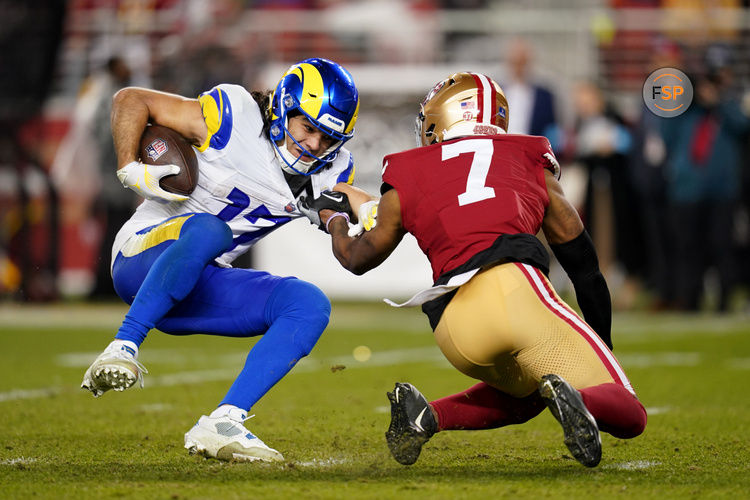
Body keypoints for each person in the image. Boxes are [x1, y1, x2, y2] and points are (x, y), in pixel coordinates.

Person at [302, 72, 646, 467]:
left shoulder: (406, 170)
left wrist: (333, 219)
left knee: (533, 390)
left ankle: (428, 415)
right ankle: (581, 399)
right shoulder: (528, 156)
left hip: (454, 329)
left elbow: (357, 258)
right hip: (517, 293)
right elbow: (584, 267)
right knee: (628, 413)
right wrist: (600, 345)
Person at [80, 58, 372, 463]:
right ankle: (123, 346)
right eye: (309, 129)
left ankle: (224, 420)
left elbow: (343, 225)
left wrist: (370, 216)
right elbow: (131, 100)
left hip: (199, 284)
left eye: (328, 138)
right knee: (209, 230)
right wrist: (129, 166)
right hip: (141, 258)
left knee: (308, 304)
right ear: (285, 107)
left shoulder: (330, 169)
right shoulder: (233, 113)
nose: (315, 146)